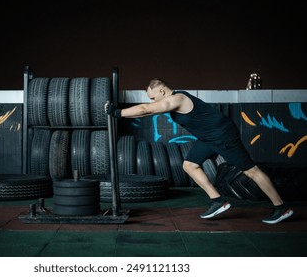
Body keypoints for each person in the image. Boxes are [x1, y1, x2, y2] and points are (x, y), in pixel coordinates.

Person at [105, 78, 293, 224]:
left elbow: (146, 110)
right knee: (190, 165)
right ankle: (217, 201)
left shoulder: (177, 99)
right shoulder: (174, 99)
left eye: (154, 97)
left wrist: (117, 112)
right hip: (209, 137)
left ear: (161, 91)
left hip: (223, 135)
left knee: (251, 171)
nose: (153, 101)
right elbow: (149, 108)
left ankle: (281, 207)